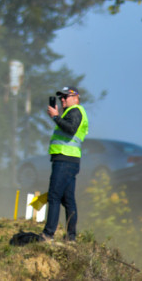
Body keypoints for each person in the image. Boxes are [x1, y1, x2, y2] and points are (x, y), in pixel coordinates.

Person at [41, 86, 88, 242]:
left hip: (65, 160)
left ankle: (48, 234)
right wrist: (58, 116)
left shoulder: (76, 111)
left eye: (65, 97)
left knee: (54, 196)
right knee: (68, 200)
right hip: (68, 160)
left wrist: (55, 117)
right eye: (61, 97)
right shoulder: (71, 112)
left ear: (75, 98)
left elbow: (70, 129)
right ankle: (71, 238)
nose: (62, 99)